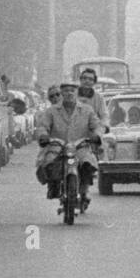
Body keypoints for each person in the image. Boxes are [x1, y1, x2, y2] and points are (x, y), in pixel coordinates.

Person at [35, 78, 103, 208]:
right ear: (62, 93)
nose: (69, 93)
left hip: (80, 146)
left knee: (88, 163)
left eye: (72, 90)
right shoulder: (51, 111)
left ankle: (84, 190)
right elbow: (43, 126)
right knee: (49, 163)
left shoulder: (87, 110)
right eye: (66, 90)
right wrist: (43, 135)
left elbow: (97, 125)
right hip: (58, 146)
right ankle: (53, 186)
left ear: (76, 93)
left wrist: (96, 135)